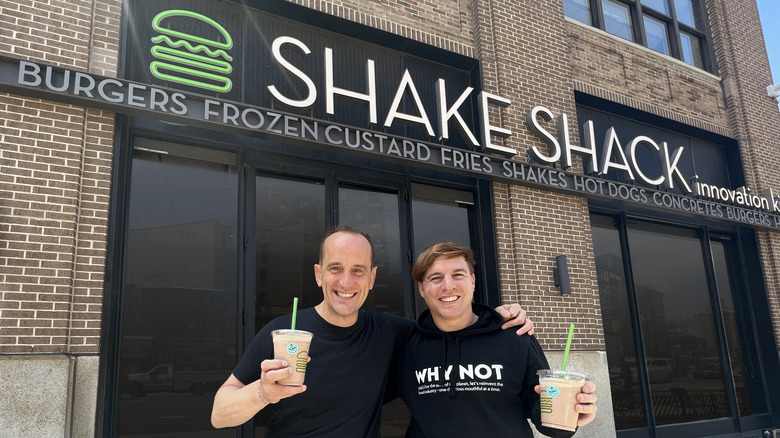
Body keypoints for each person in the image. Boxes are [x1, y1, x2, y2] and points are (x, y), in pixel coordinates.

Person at [210, 226, 534, 436]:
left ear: (372, 278)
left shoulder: (393, 333)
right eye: (336, 269)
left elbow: (449, 324)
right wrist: (263, 393)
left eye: (358, 271)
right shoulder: (282, 331)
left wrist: (496, 318)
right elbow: (219, 414)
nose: (346, 282)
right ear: (318, 274)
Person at [396, 241, 598, 437]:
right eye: (436, 278)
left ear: (473, 281)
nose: (448, 286)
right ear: (422, 289)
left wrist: (573, 410)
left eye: (458, 275)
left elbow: (539, 406)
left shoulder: (515, 335)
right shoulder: (406, 346)